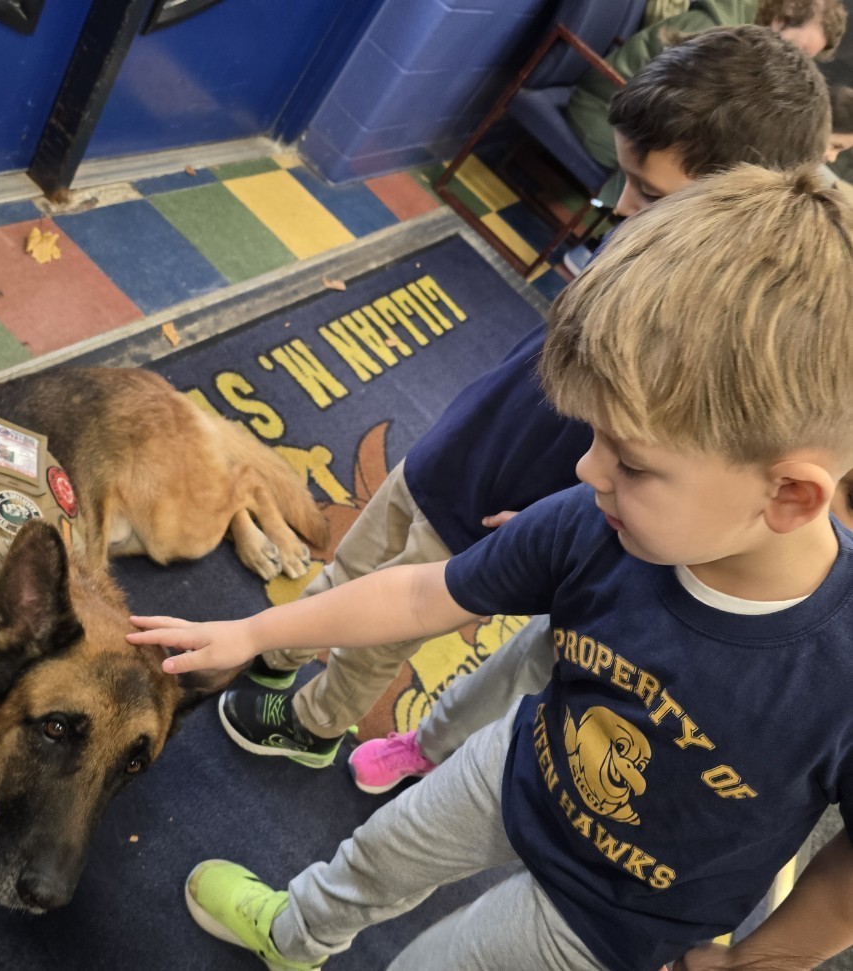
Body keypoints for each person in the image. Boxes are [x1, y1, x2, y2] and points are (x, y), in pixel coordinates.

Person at [128, 165, 853, 970]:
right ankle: (293, 935)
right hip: (521, 760)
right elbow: (420, 594)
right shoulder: (594, 517)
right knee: (375, 855)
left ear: (788, 495)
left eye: (632, 462)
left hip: (613, 917)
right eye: (593, 435)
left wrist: (765, 959)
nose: (585, 469)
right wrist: (256, 631)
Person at [211, 26, 833, 771]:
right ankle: (283, 646)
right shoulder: (648, 239)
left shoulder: (730, 354)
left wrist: (559, 518)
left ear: (735, 209)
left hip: (501, 507)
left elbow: (660, 483)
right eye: (625, 179)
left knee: (385, 629)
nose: (622, 207)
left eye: (651, 192)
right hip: (465, 442)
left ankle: (316, 723)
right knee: (359, 555)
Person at [564, 0, 845, 204]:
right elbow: (666, 114)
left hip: (639, 117)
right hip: (605, 109)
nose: (794, 60)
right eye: (797, 48)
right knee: (693, 189)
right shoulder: (718, 39)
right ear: (781, 20)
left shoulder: (741, 47)